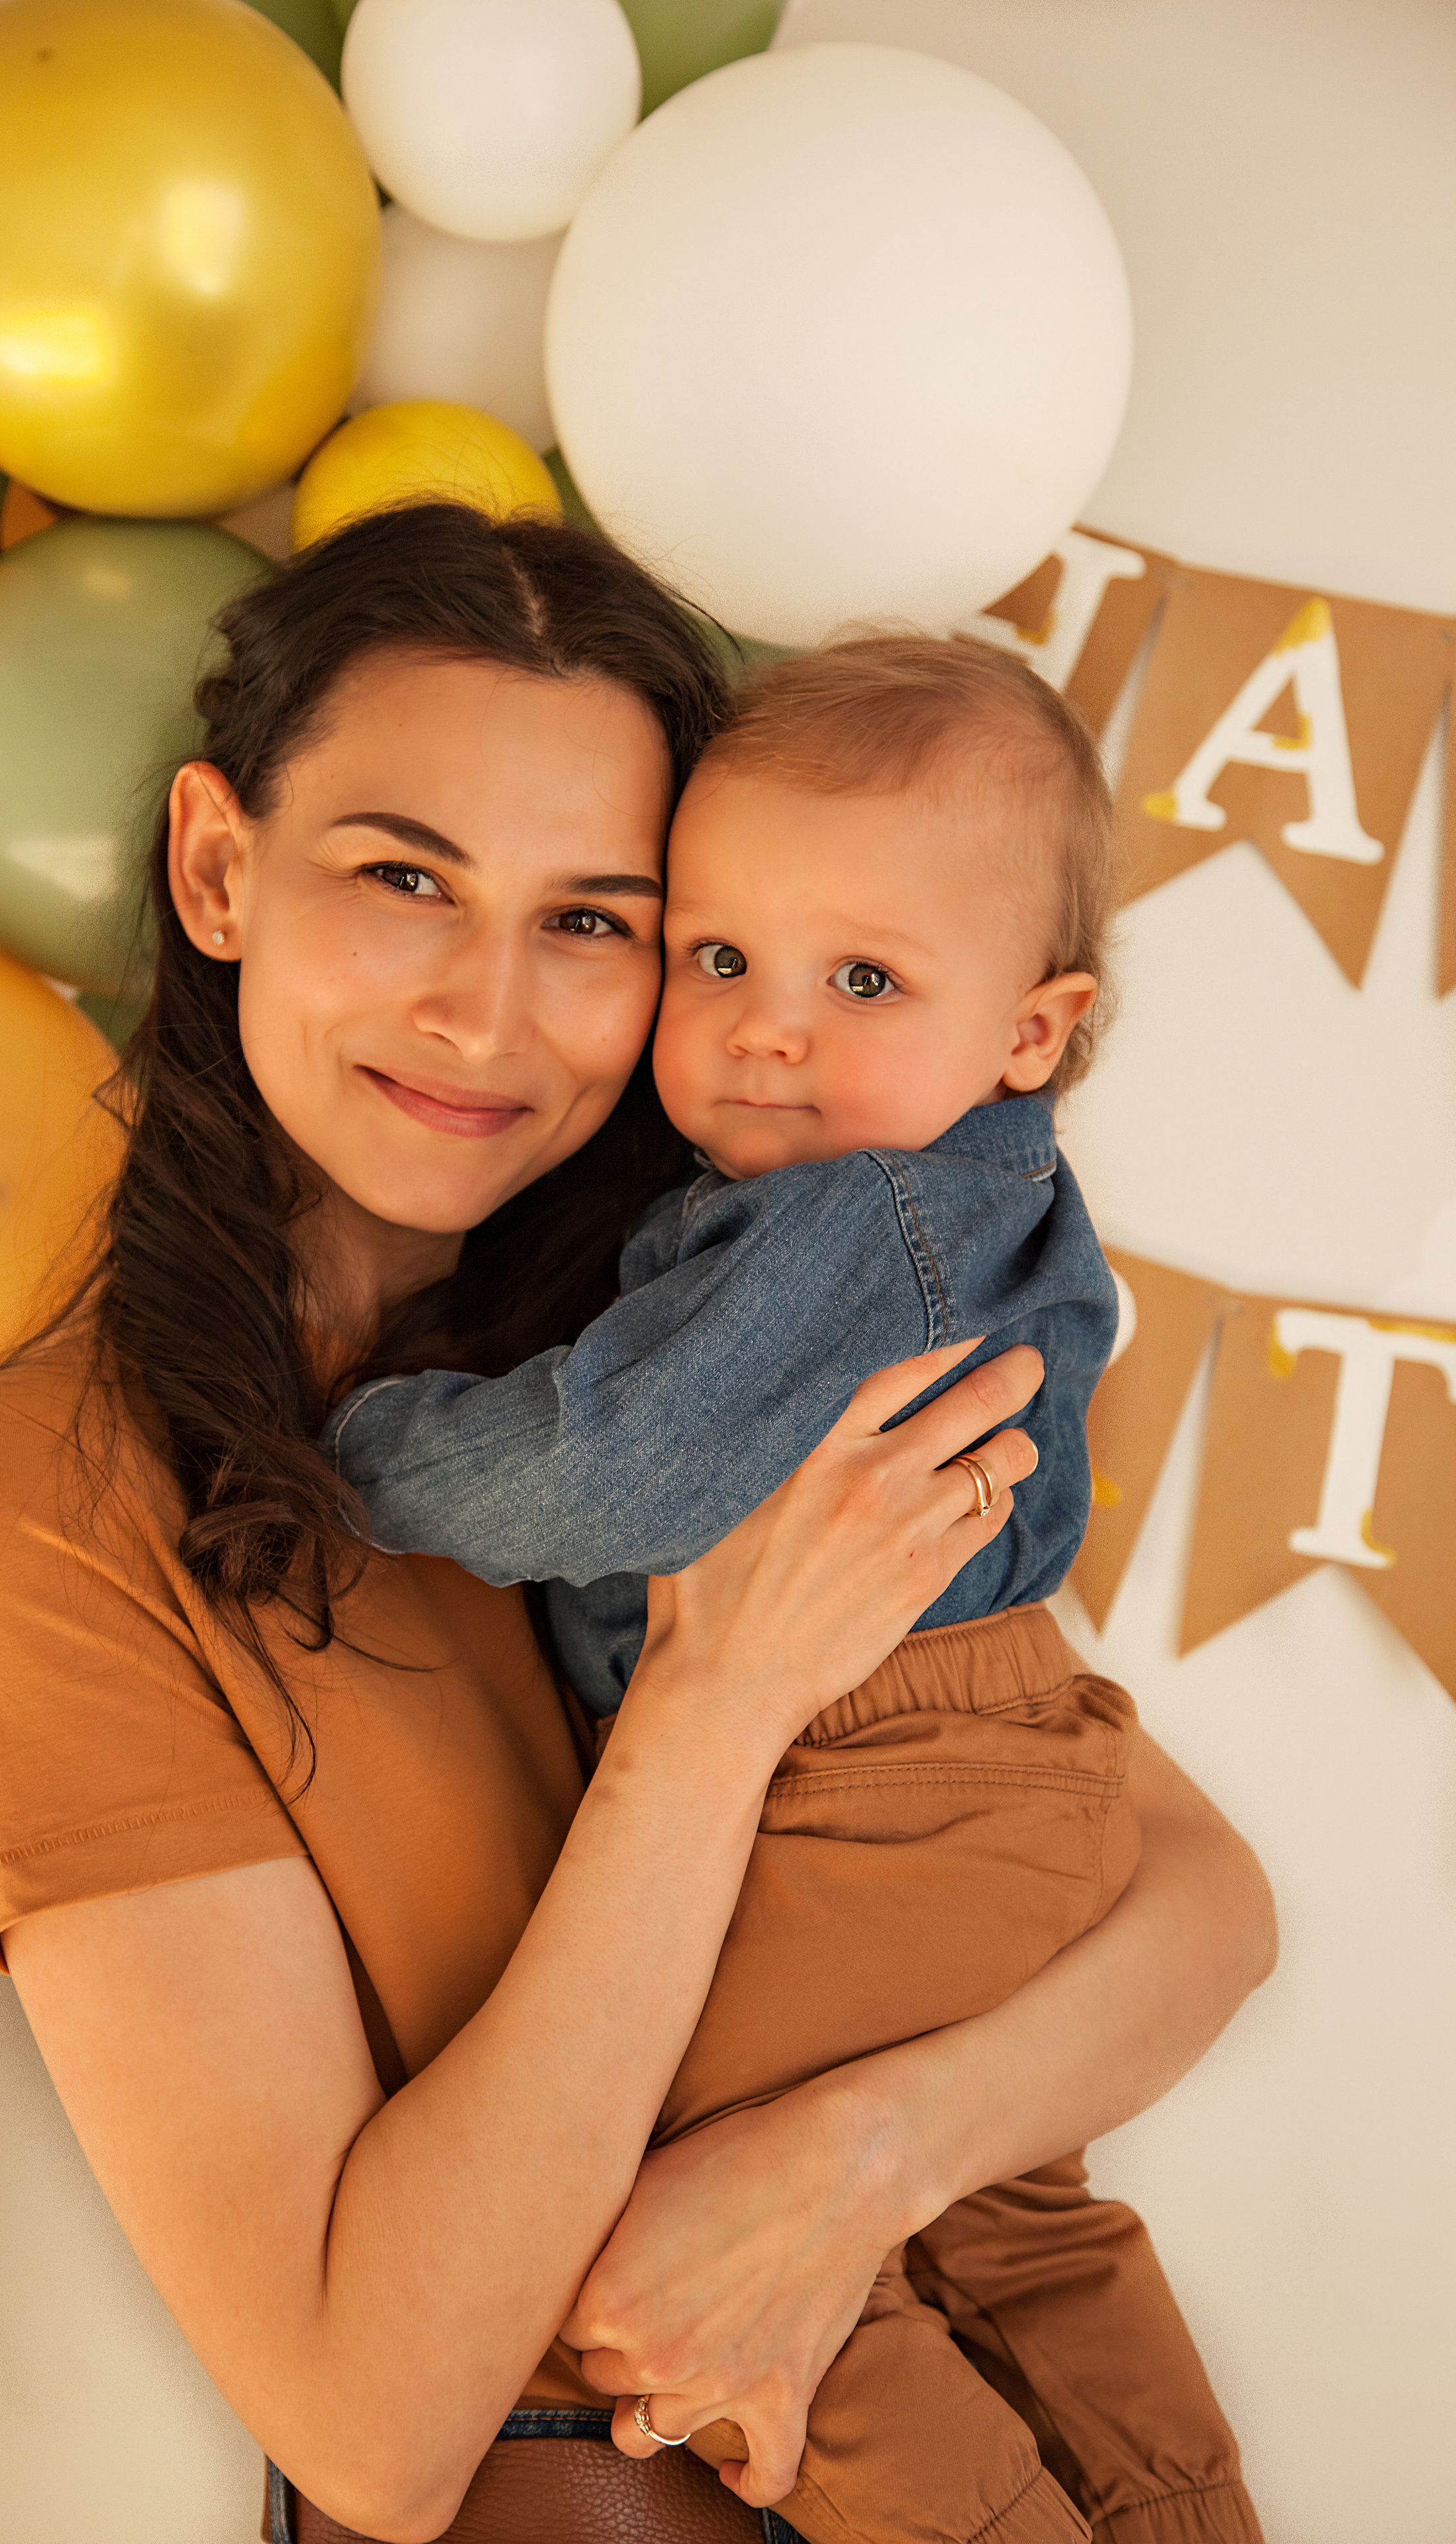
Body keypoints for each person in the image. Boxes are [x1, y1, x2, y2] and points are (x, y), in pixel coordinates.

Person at [0, 507, 1276, 2544]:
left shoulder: (696, 1313)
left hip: (951, 2355)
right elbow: (371, 2424)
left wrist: (853, 2170)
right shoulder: (59, 1493)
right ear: (219, 869)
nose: (489, 1010)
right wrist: (715, 1709)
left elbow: (1197, 1905)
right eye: (400, 880)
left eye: (595, 921)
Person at [323, 632, 1264, 2544]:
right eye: (720, 957)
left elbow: (612, 1462)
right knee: (1021, 2235)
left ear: (1033, 1031)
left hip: (868, 1789)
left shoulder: (864, 1217)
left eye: (863, 979)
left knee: (731, 2269)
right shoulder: (957, 1199)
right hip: (992, 1770)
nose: (766, 1027)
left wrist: (344, 1451)